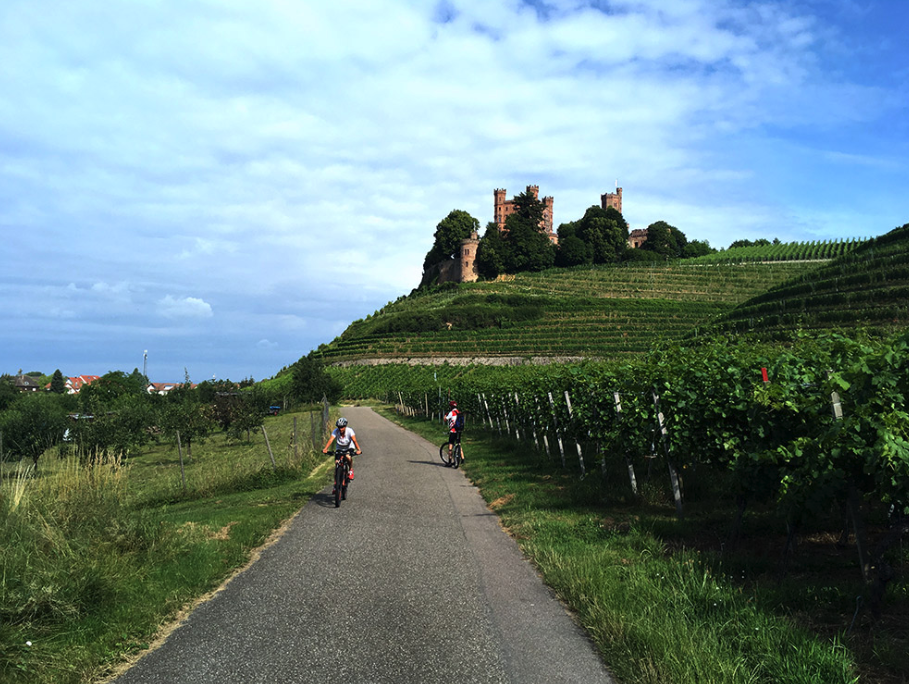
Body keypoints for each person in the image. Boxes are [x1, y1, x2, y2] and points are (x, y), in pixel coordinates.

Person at [322, 417, 362, 492]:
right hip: (339, 448)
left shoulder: (350, 431)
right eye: (339, 427)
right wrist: (325, 449)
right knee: (337, 464)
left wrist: (358, 449)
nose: (341, 429)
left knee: (348, 457)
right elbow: (331, 440)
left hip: (349, 447)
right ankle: (335, 485)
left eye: (342, 427)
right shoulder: (335, 431)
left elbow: (354, 440)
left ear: (345, 426)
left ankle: (350, 470)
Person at [444, 400, 465, 466]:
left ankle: (450, 461)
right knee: (458, 443)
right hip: (459, 430)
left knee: (450, 445)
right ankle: (462, 459)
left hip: (453, 431)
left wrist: (445, 415)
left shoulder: (451, 413)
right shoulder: (459, 412)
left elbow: (445, 419)